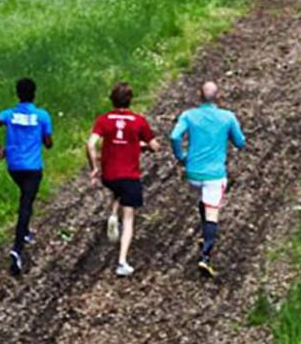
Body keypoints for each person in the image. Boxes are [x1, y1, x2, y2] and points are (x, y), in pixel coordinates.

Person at [170, 80, 246, 277]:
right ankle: (205, 256)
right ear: (218, 97)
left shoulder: (188, 115)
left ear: (199, 96)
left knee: (204, 199)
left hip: (193, 173)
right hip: (214, 174)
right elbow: (240, 142)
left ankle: (204, 234)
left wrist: (181, 156)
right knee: (213, 211)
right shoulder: (227, 117)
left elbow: (175, 136)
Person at [87, 81, 160, 277]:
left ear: (112, 99)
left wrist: (94, 167)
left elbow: (91, 144)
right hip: (129, 176)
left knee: (116, 188)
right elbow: (155, 146)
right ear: (130, 100)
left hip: (109, 175)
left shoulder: (103, 119)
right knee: (129, 219)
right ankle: (122, 261)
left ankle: (112, 214)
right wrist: (142, 144)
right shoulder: (138, 121)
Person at [0, 77, 53, 276]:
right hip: (33, 167)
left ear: (18, 94)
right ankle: (17, 248)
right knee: (26, 204)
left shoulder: (9, 114)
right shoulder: (42, 115)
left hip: (14, 166)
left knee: (25, 195)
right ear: (34, 94)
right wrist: (46, 141)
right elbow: (48, 142)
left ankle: (25, 232)